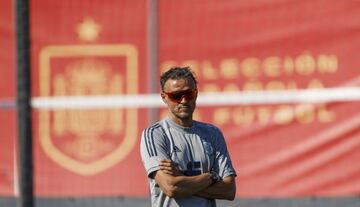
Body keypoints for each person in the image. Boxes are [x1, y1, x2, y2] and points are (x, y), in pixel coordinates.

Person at [140, 66, 237, 207]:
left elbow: (228, 191)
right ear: (164, 97)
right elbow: (170, 187)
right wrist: (209, 177)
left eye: (189, 94)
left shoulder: (212, 134)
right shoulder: (155, 134)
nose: (184, 100)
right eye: (176, 96)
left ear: (196, 94)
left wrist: (181, 178)